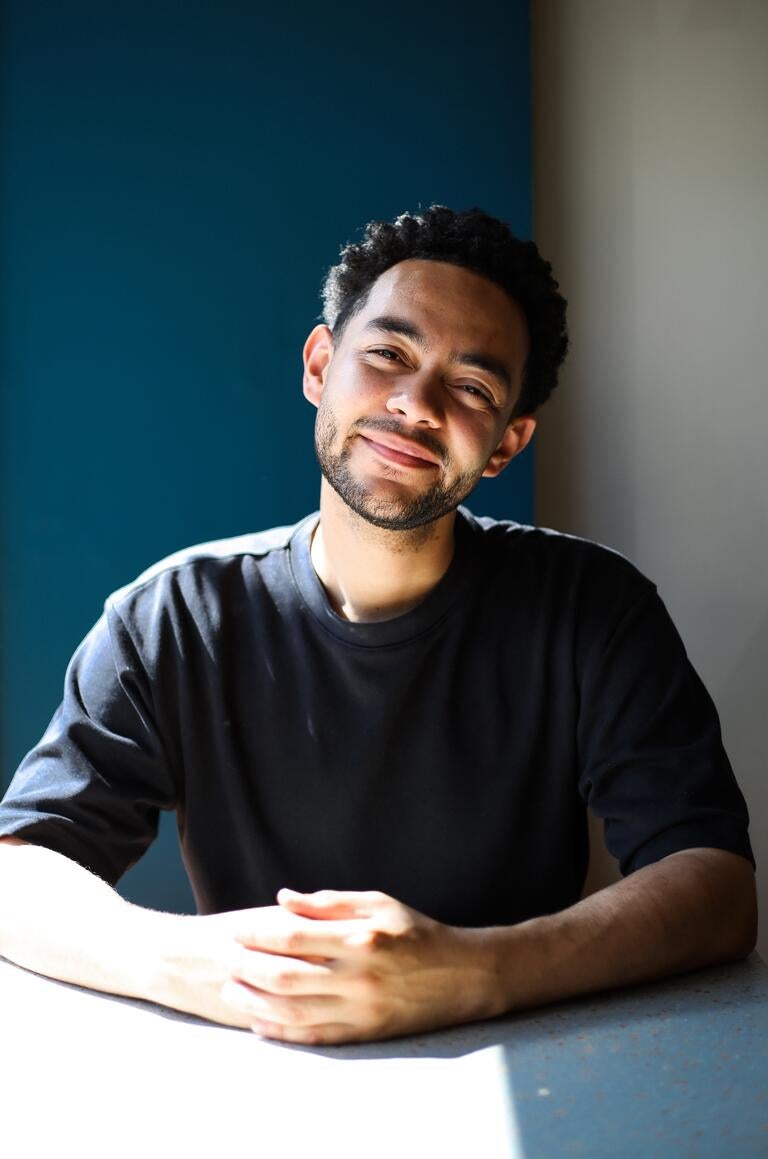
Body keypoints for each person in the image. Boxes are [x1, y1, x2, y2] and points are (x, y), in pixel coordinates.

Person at [0, 206, 756, 1046]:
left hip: (537, 1070)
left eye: (471, 387)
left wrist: (473, 972)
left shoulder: (594, 607)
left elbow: (714, 885)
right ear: (320, 365)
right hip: (266, 1062)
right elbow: (18, 872)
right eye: (388, 354)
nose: (416, 403)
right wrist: (191, 963)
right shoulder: (170, 618)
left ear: (507, 442)